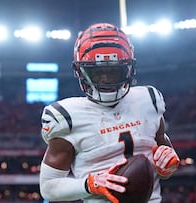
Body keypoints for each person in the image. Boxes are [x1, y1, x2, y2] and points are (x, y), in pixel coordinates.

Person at [39, 22, 180, 203]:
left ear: (129, 69)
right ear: (80, 72)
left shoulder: (149, 100)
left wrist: (167, 164)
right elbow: (49, 188)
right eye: (97, 73)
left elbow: (163, 151)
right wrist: (89, 184)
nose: (106, 80)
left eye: (114, 71)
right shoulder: (66, 116)